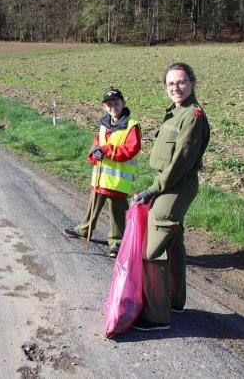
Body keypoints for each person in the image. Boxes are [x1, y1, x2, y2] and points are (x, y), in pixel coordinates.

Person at [131, 62, 210, 331]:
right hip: (169, 184)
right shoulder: (177, 112)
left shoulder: (193, 116)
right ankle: (175, 300)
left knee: (152, 251)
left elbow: (179, 164)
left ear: (192, 83)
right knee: (174, 243)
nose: (175, 87)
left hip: (176, 186)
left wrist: (152, 190)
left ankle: (156, 316)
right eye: (170, 83)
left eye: (181, 82)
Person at [62, 88, 142, 258]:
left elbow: (130, 149)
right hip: (100, 178)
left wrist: (105, 150)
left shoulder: (131, 126)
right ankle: (84, 230)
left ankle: (117, 243)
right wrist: (94, 154)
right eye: (109, 104)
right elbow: (96, 145)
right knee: (92, 208)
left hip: (118, 181)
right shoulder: (104, 124)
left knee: (117, 214)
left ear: (123, 104)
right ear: (105, 107)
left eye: (116, 103)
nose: (113, 107)